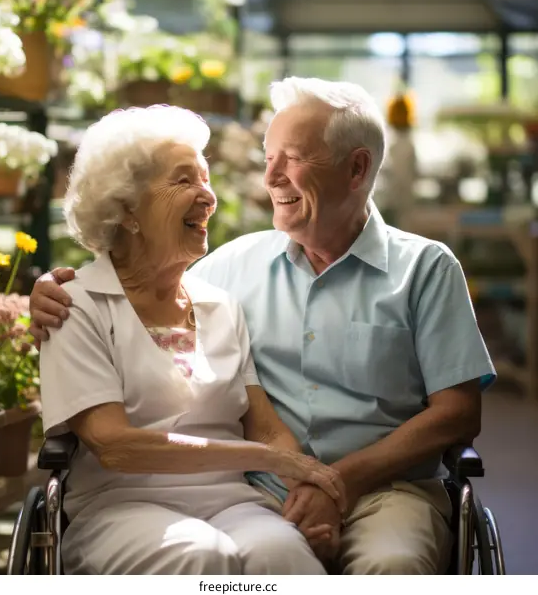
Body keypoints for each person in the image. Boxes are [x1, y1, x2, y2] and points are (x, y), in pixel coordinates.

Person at [30, 78, 496, 575]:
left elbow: (456, 415)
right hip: (263, 492)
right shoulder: (227, 269)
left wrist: (328, 483)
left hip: (380, 492)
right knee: (213, 557)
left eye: (291, 158)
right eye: (267, 157)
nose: (269, 178)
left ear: (356, 168)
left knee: (382, 567)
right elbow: (133, 280)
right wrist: (48, 292)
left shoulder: (424, 268)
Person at [36, 104, 346, 576]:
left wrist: (305, 488)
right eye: (184, 181)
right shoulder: (76, 305)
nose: (207, 197)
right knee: (203, 556)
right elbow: (115, 445)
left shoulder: (220, 304)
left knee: (284, 556)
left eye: (206, 180)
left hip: (231, 502)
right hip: (121, 505)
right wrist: (264, 458)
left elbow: (264, 427)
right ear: (127, 210)